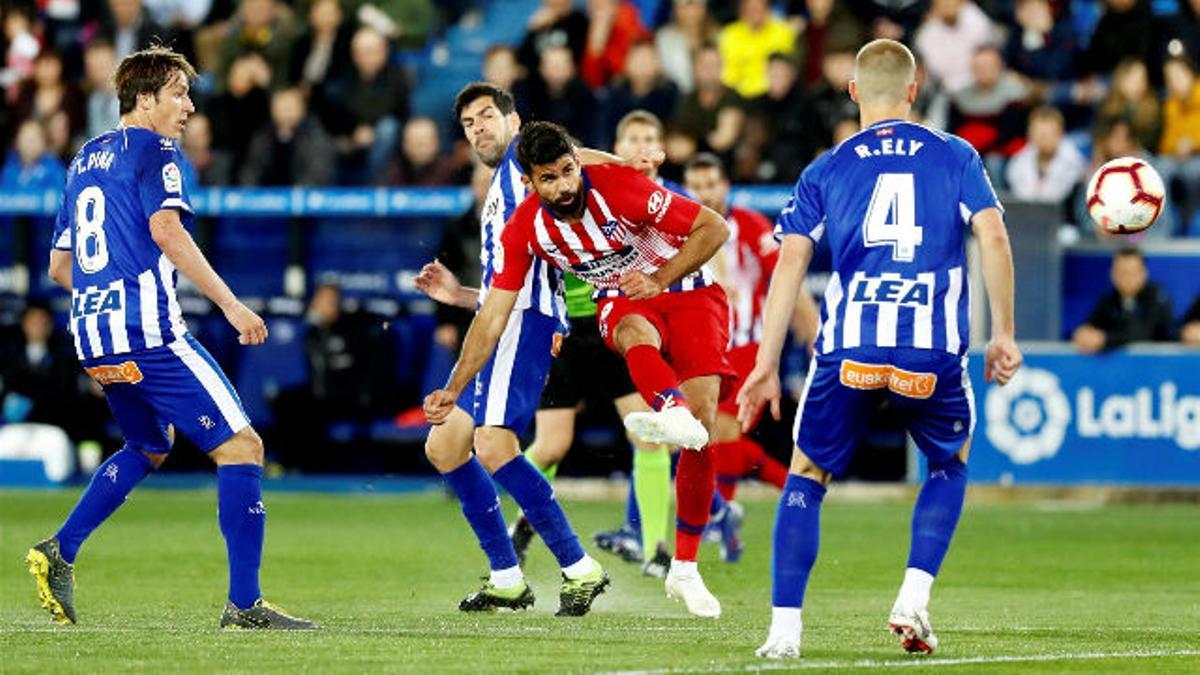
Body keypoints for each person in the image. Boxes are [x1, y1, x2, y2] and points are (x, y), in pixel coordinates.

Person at [738, 39, 1021, 658]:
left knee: (807, 475)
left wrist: (764, 364)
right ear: (915, 92)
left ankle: (784, 632)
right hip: (930, 348)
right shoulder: (957, 154)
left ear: (854, 91)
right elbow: (993, 235)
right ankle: (913, 597)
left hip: (851, 346)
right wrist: (1004, 333)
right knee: (949, 463)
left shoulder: (829, 166)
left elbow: (789, 265)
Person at [25, 46, 316, 630]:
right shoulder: (158, 151)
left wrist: (106, 288)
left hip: (93, 335)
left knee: (149, 445)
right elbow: (166, 230)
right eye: (178, 93)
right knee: (242, 448)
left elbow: (60, 267)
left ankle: (60, 550)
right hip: (147, 332)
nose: (188, 106)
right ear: (145, 99)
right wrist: (232, 306)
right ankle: (245, 603)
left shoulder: (85, 157)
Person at [424, 120, 736, 618]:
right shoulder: (524, 228)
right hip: (619, 299)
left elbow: (715, 228)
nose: (564, 186)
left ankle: (685, 566)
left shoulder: (618, 188)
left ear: (577, 163)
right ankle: (668, 407)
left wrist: (658, 277)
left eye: (568, 171)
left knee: (704, 433)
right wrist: (453, 386)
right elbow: (494, 313)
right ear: (529, 183)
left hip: (688, 288)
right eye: (549, 178)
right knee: (630, 334)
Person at [413, 83, 608, 617]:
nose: (478, 127)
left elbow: (580, 160)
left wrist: (629, 163)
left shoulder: (526, 166)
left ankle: (579, 568)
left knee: (495, 445)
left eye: (486, 116)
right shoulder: (499, 187)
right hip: (504, 315)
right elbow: (505, 284)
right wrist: (458, 296)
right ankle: (506, 577)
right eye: (469, 123)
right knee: (445, 448)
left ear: (513, 120)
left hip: (526, 321)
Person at [515, 110, 690, 579]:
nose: (641, 148)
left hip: (621, 324)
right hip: (568, 331)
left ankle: (655, 548)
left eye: (649, 140)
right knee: (551, 445)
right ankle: (520, 520)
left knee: (648, 437)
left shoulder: (658, 198)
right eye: (631, 140)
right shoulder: (579, 182)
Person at [1071, 248, 1174, 353]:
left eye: (1131, 272)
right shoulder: (1108, 299)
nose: (1125, 278)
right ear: (1112, 274)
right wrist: (1084, 334)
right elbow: (1091, 326)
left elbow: (1142, 334)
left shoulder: (1157, 297)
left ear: (1143, 273)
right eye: (1120, 272)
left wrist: (1105, 339)